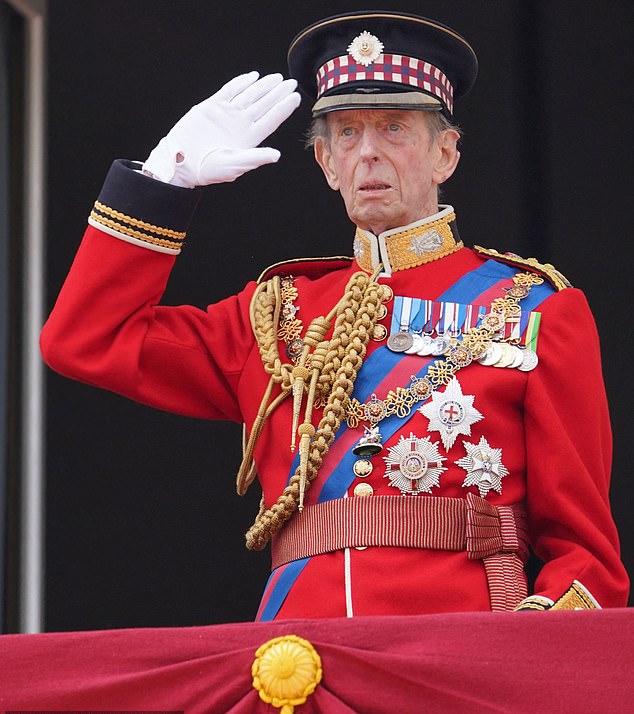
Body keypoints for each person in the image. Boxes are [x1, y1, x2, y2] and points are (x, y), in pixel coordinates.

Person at [41, 11, 629, 620]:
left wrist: (529, 652)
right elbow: (84, 339)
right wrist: (163, 183)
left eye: (394, 128)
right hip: (298, 660)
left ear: (445, 154)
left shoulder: (536, 310)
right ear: (325, 161)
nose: (368, 153)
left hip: (461, 654)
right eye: (347, 134)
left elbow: (585, 554)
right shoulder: (274, 315)